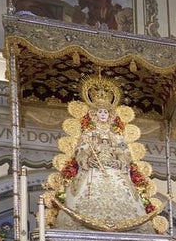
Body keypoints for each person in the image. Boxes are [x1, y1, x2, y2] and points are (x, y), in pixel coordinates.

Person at [61, 81, 150, 231]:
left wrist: (120, 162)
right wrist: (88, 159)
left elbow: (125, 153)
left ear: (110, 115)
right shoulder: (88, 134)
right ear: (94, 114)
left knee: (125, 195)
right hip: (93, 171)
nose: (103, 115)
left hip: (114, 171)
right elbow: (81, 151)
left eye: (106, 112)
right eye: (100, 112)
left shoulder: (117, 136)